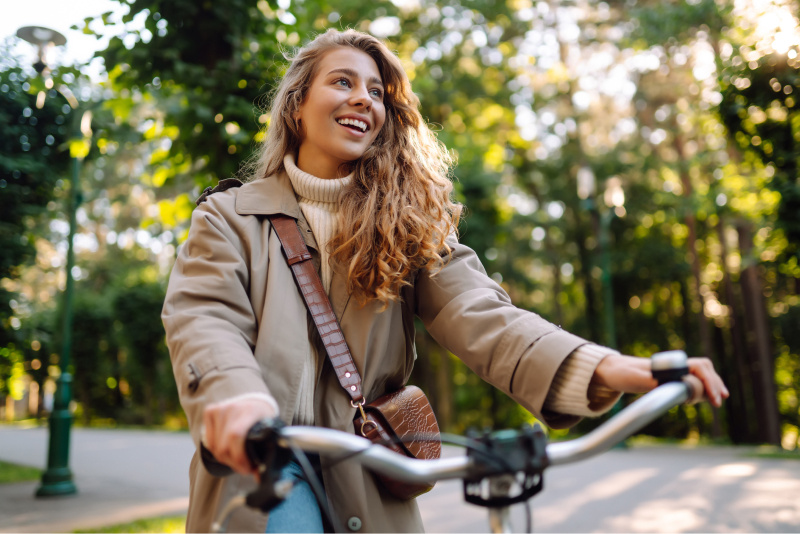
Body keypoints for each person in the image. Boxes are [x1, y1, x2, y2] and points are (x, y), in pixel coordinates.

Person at [162, 28, 729, 533]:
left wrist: (606, 366)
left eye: (377, 91)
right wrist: (238, 399)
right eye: (341, 81)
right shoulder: (230, 215)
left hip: (372, 472)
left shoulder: (407, 224)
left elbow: (486, 317)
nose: (363, 96)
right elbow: (205, 317)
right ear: (296, 107)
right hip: (263, 466)